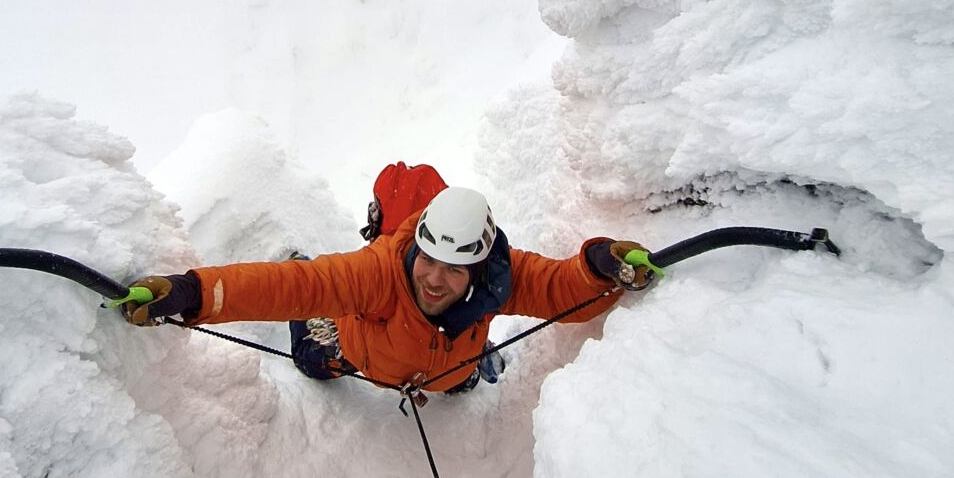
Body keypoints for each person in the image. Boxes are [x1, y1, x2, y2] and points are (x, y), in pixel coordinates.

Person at [120, 186, 657, 394]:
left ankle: (475, 364)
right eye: (428, 259)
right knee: (313, 358)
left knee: (464, 382)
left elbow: (565, 290)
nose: (432, 278)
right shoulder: (380, 272)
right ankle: (326, 333)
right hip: (361, 356)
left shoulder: (502, 276)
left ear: (478, 269)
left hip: (449, 371)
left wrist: (600, 264)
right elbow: (289, 288)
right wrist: (191, 294)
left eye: (453, 270)